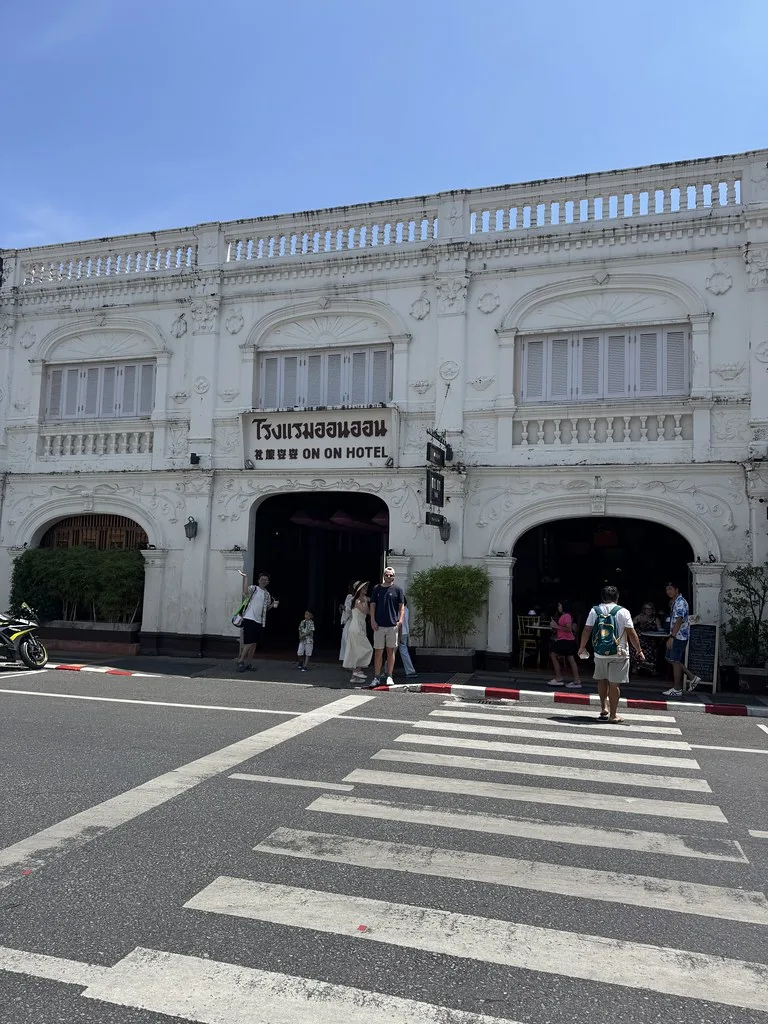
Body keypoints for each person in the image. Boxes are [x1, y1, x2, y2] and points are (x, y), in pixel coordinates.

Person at [578, 585, 645, 723]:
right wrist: (639, 650)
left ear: (602, 597)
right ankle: (613, 715)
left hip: (600, 653)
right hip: (619, 653)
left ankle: (604, 708)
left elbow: (586, 630)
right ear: (617, 597)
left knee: (602, 680)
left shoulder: (594, 611)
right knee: (614, 685)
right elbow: (631, 633)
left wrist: (582, 647)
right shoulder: (623, 612)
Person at [662, 582, 701, 697]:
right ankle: (692, 677)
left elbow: (679, 620)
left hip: (679, 636)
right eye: (667, 589)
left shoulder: (680, 603)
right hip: (677, 635)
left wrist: (672, 637)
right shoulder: (676, 602)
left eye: (670, 589)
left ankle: (677, 688)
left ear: (677, 589)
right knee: (671, 659)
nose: (668, 591)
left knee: (675, 661)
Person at [369, 566, 405, 689]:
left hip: (392, 625)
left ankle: (389, 675)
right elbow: (372, 605)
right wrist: (372, 620)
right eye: (386, 575)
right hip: (379, 625)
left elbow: (401, 607)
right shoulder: (377, 589)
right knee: (378, 651)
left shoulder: (398, 590)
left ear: (394, 576)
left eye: (391, 575)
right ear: (383, 575)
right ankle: (377, 677)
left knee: (390, 651)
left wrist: (400, 621)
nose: (388, 577)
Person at [237, 571, 278, 672]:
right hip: (249, 618)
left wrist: (273, 605)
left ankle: (249, 663)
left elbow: (266, 608)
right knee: (249, 642)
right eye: (262, 579)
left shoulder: (267, 594)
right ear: (258, 580)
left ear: (268, 582)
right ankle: (240, 661)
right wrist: (245, 578)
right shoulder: (254, 588)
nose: (263, 581)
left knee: (254, 643)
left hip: (259, 621)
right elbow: (245, 592)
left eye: (265, 580)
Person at [342, 580, 373, 683]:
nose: (366, 589)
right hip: (356, 627)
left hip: (360, 626)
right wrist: (367, 602)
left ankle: (354, 676)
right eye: (364, 588)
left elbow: (367, 612)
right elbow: (366, 611)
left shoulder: (363, 599)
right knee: (367, 648)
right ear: (359, 590)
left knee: (356, 650)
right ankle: (357, 671)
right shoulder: (357, 601)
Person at [547, 600, 581, 689]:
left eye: (559, 606)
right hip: (569, 641)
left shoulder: (566, 616)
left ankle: (558, 677)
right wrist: (554, 627)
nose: (558, 608)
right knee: (571, 659)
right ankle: (577, 680)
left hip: (565, 641)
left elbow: (569, 629)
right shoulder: (565, 616)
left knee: (553, 654)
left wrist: (555, 626)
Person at [631, 601, 663, 674]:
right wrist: (637, 621)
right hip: (640, 639)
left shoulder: (656, 619)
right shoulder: (639, 617)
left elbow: (660, 630)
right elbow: (630, 625)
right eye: (646, 609)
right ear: (644, 610)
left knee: (653, 647)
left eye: (650, 609)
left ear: (653, 610)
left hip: (652, 639)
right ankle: (636, 667)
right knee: (636, 646)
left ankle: (651, 668)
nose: (648, 610)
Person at [397, 597, 416, 677]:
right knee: (402, 651)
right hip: (405, 632)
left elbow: (399, 623)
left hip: (399, 632)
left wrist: (399, 636)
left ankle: (387, 670)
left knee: (393, 651)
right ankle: (410, 670)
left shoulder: (398, 610)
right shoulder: (406, 609)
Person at [338, 581, 355, 663]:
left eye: (350, 586)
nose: (349, 588)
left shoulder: (355, 598)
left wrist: (344, 607)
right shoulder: (349, 596)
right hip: (347, 620)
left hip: (352, 620)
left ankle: (350, 660)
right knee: (345, 640)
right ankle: (346, 660)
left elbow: (351, 610)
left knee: (349, 640)